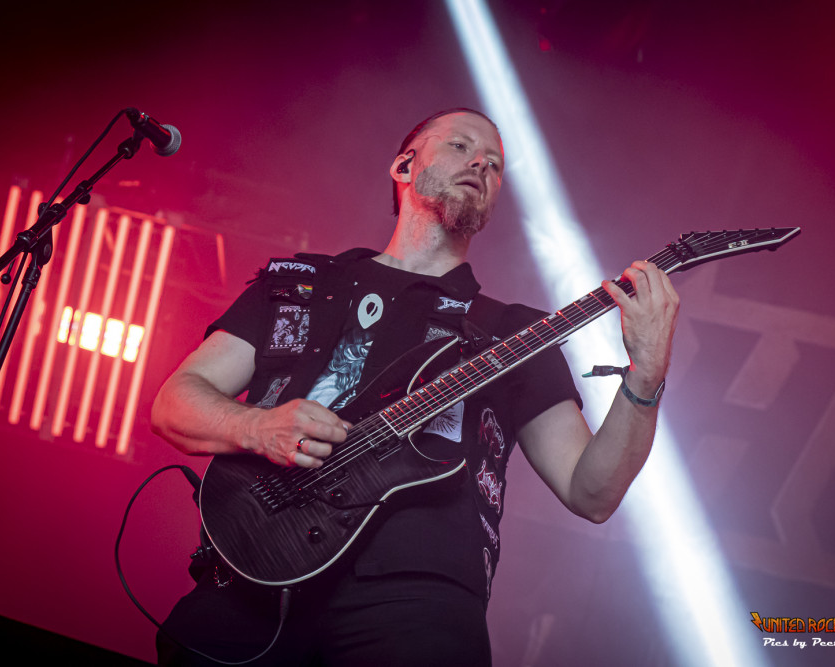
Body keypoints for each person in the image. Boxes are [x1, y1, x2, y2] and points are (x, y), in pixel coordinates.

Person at [150, 108, 679, 666]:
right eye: (460, 146)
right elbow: (174, 404)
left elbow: (591, 493)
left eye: (495, 164)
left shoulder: (513, 333)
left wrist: (646, 375)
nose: (481, 163)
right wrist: (257, 427)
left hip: (417, 596)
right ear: (404, 166)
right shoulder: (300, 285)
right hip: (252, 572)